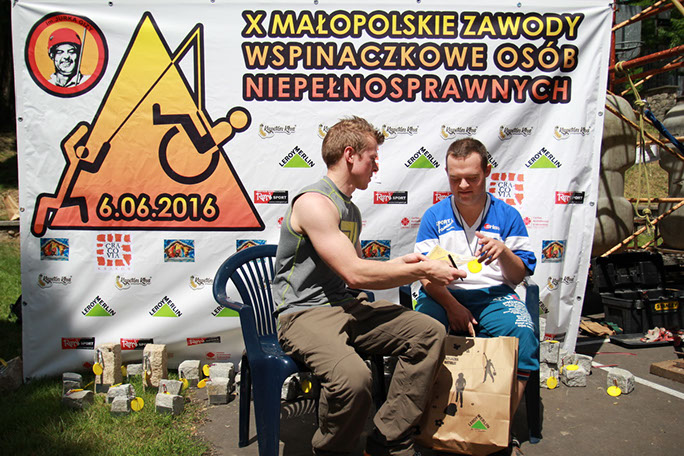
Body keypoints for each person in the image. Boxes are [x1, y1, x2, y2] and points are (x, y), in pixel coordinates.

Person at [272, 116, 465, 456]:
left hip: (345, 306)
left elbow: (360, 267)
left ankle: (386, 439)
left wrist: (407, 263)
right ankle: (332, 451)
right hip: (304, 314)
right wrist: (423, 270)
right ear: (350, 155)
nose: (377, 166)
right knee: (353, 379)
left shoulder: (350, 210)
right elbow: (355, 274)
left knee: (429, 333)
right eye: (373, 157)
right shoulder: (314, 203)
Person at [413, 137, 537, 456]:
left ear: (488, 172)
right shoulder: (435, 216)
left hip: (494, 295)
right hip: (443, 295)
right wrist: (452, 306)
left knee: (523, 333)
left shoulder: (507, 216)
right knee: (420, 333)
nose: (463, 186)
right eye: (455, 179)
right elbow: (425, 276)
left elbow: (518, 276)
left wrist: (505, 252)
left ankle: (497, 431)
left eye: (472, 177)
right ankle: (425, 426)